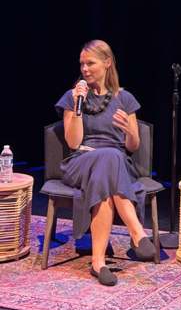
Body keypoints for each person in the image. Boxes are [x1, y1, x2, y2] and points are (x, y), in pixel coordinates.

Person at [55, 40, 156, 286]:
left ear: (107, 63)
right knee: (108, 157)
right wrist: (78, 109)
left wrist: (130, 131)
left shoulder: (125, 98)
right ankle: (137, 232)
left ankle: (98, 263)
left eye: (91, 63)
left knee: (109, 163)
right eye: (82, 64)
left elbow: (132, 146)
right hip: (81, 161)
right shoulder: (72, 97)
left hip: (117, 164)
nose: (85, 69)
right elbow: (73, 142)